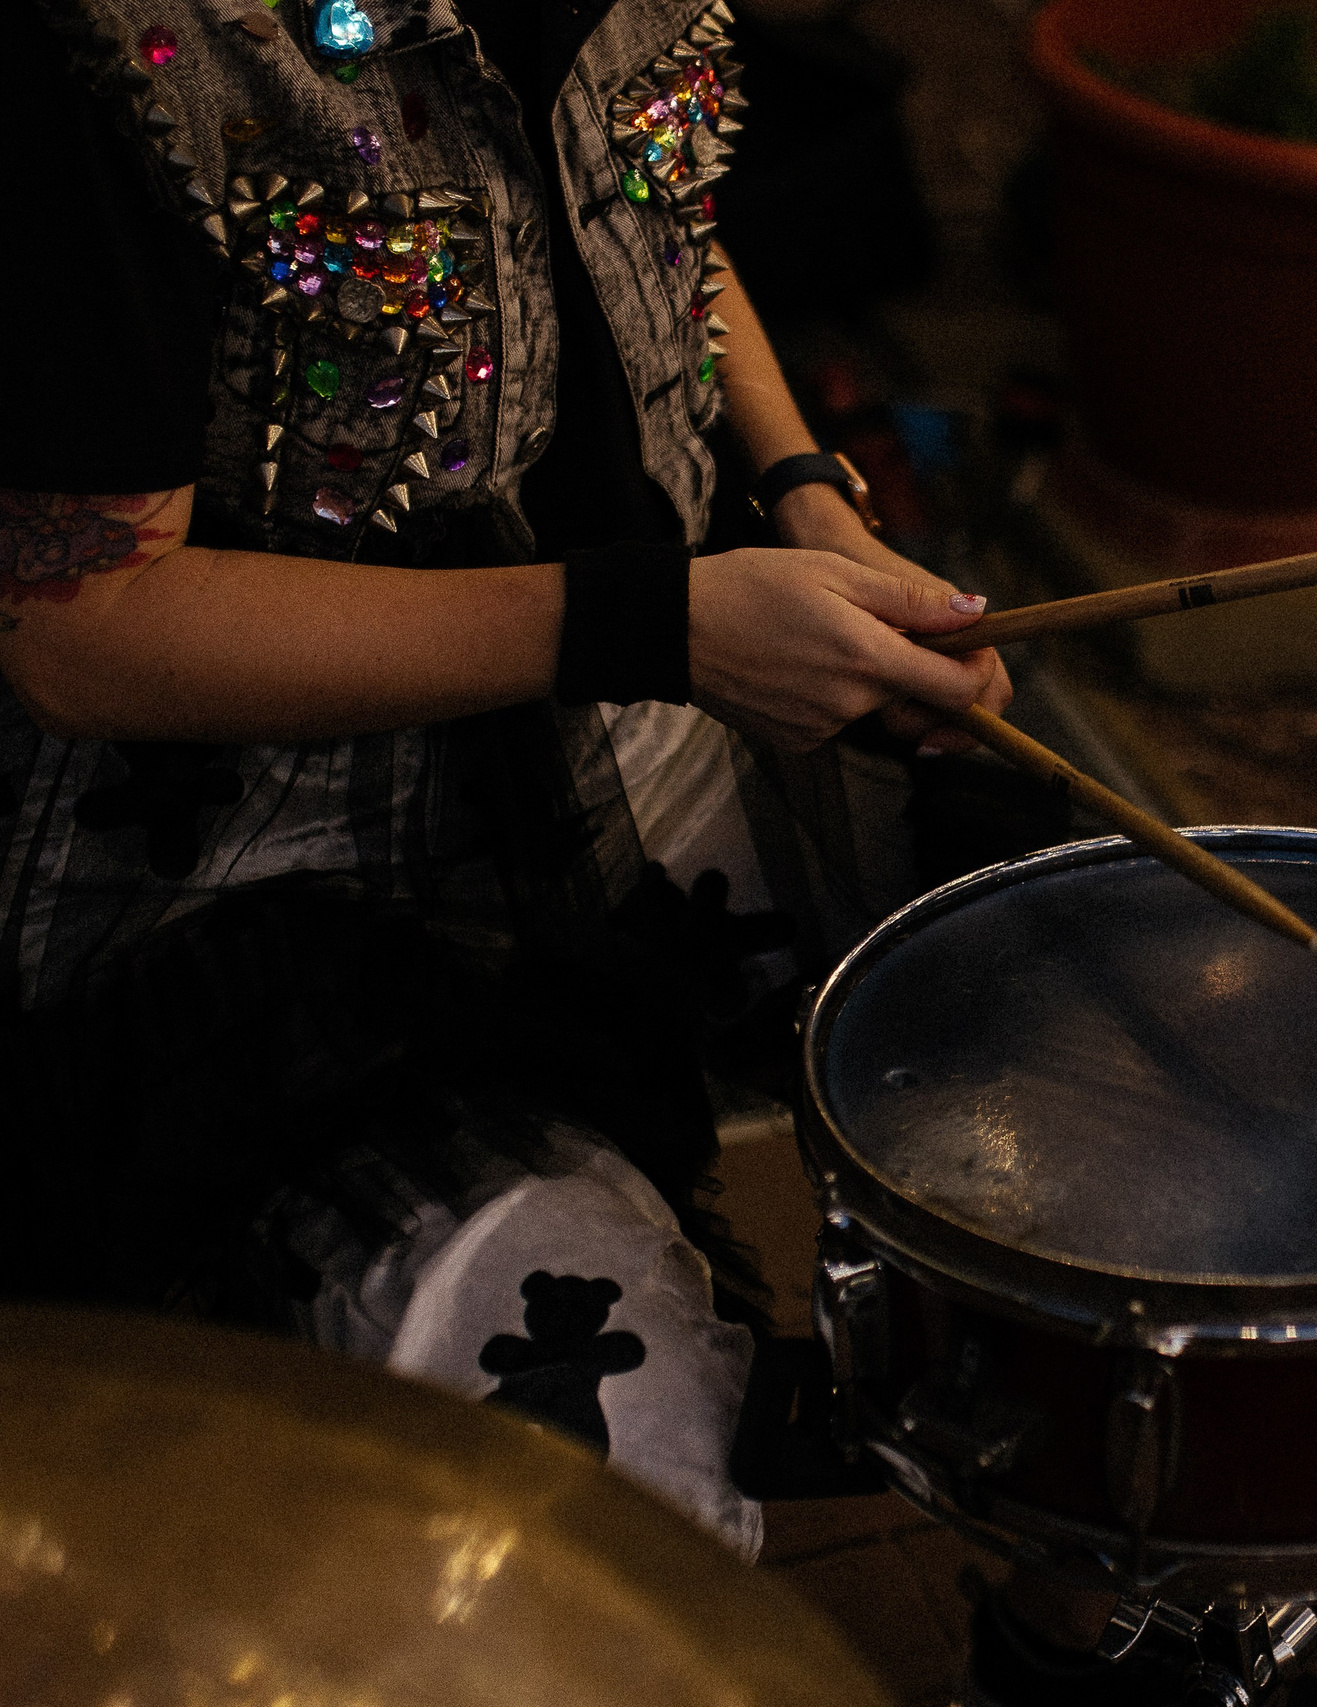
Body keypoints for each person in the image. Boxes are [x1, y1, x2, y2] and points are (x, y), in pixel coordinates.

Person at [2, 0, 1009, 1557]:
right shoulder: (118, 51)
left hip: (627, 714)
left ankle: (1068, 1579)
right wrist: (654, 623)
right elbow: (81, 631)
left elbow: (641, 197)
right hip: (245, 890)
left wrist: (805, 495)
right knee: (609, 1507)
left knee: (1076, 1006)